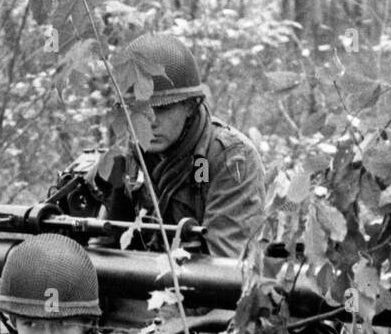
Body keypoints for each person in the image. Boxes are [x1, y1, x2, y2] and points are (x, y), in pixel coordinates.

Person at [94, 32, 267, 259]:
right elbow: (106, 240)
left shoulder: (227, 158)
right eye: (138, 109)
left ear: (189, 106)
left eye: (163, 109)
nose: (150, 121)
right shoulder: (129, 156)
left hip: (202, 286)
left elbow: (222, 265)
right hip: (138, 282)